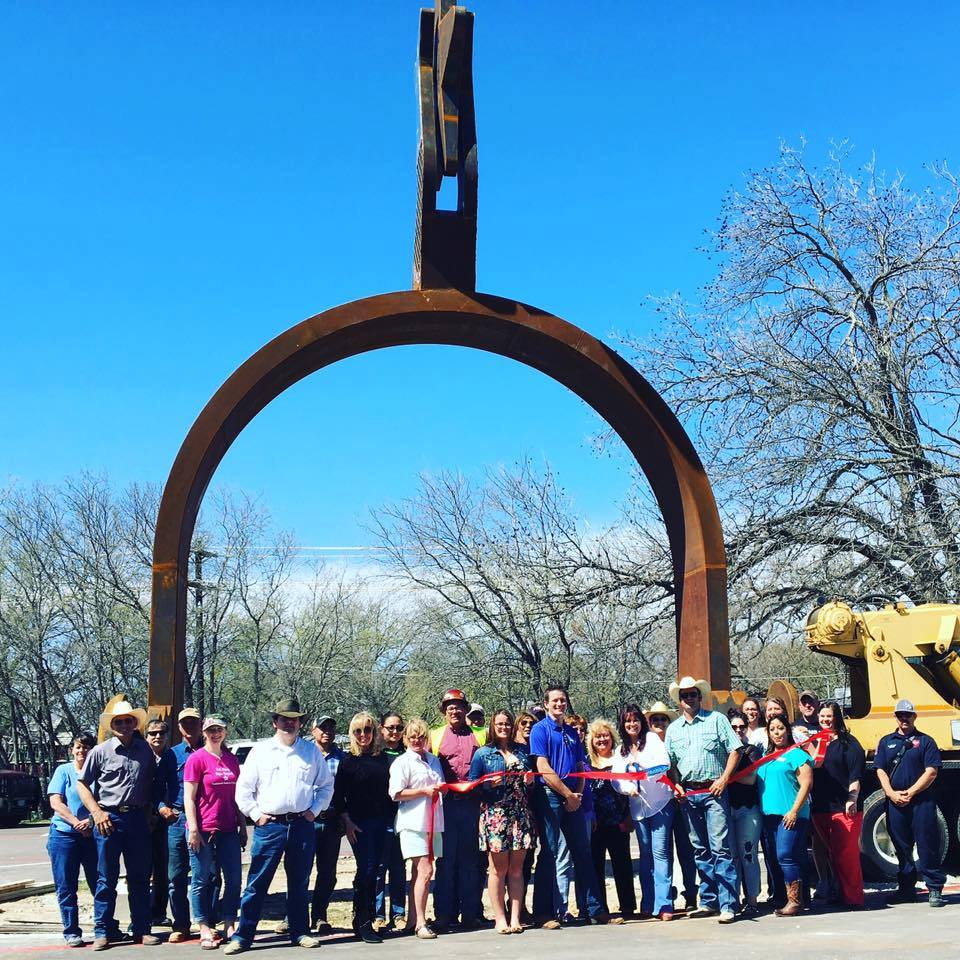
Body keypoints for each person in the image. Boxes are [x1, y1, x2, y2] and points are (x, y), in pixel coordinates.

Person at [224, 698, 334, 955]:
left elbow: (326, 785)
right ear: (275, 722)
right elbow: (243, 790)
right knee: (257, 883)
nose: (289, 723)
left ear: (299, 722)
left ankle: (300, 932)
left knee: (299, 882)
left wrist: (314, 811)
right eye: (284, 719)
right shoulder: (261, 752)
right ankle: (243, 936)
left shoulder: (310, 751)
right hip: (270, 826)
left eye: (294, 719)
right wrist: (255, 814)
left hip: (301, 825)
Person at [76, 699, 162, 951]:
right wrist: (96, 812)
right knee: (106, 877)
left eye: (128, 721)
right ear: (112, 726)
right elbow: (83, 784)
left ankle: (142, 929)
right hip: (108, 820)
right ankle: (103, 930)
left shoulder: (145, 750)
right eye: (119, 721)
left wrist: (150, 812)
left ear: (135, 723)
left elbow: (152, 783)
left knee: (139, 877)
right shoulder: (99, 752)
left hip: (137, 820)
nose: (124, 725)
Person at [529, 684, 608, 928]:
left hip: (574, 795)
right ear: (546, 704)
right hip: (550, 795)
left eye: (563, 700)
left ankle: (595, 910)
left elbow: (581, 768)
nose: (559, 704)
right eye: (554, 701)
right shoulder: (539, 731)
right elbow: (543, 767)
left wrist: (578, 795)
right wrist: (566, 794)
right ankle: (544, 913)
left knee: (583, 852)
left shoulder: (572, 734)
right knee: (550, 853)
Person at [664, 676, 740, 924]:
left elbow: (735, 750)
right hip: (688, 795)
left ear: (699, 696)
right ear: (680, 699)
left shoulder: (716, 720)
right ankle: (709, 901)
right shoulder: (673, 730)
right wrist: (676, 786)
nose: (689, 699)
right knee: (700, 850)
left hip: (714, 792)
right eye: (684, 695)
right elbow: (670, 765)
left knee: (721, 848)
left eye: (693, 694)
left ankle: (728, 903)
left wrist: (724, 779)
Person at [468, 710, 536, 934]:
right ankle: (500, 919)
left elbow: (532, 783)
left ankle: (515, 917)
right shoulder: (482, 754)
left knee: (517, 870)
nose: (504, 727)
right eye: (499, 724)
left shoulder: (523, 751)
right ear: (492, 726)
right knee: (497, 869)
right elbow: (472, 787)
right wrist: (488, 785)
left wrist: (530, 780)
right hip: (495, 815)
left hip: (520, 815)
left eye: (507, 723)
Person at [184, 715, 247, 950]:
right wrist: (193, 829)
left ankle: (229, 922)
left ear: (225, 731)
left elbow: (238, 797)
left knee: (233, 879)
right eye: (210, 730)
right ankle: (203, 926)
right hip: (204, 830)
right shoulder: (197, 759)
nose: (215, 734)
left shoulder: (231, 760)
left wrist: (242, 825)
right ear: (204, 732)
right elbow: (189, 798)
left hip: (229, 829)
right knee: (201, 879)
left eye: (219, 729)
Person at [333, 711, 396, 945]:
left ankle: (368, 918)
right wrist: (347, 822)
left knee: (376, 871)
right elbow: (339, 798)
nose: (363, 735)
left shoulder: (381, 758)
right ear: (352, 734)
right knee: (366, 871)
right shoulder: (348, 761)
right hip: (359, 825)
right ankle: (362, 921)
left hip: (382, 823)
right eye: (358, 731)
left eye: (367, 730)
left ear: (374, 731)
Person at [875, 699, 945, 908]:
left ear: (915, 717)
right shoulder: (886, 741)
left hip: (921, 802)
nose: (904, 718)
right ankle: (906, 890)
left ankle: (934, 889)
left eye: (908, 715)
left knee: (927, 845)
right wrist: (890, 793)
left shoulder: (926, 741)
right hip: (895, 803)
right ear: (895, 717)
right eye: (900, 715)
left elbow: (931, 771)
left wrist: (911, 792)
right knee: (901, 847)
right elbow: (880, 769)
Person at [612, 704, 676, 920]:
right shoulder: (620, 751)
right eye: (628, 721)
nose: (632, 724)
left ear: (642, 722)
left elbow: (664, 764)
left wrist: (643, 775)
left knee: (660, 853)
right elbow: (616, 778)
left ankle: (665, 904)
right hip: (638, 810)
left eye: (635, 720)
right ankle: (648, 903)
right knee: (645, 855)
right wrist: (627, 788)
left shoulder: (653, 741)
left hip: (660, 804)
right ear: (623, 724)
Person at [429, 688, 485, 931]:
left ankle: (471, 914)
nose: (455, 710)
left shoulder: (480, 736)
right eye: (450, 706)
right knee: (445, 862)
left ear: (466, 710)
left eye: (459, 706)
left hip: (473, 806)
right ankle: (444, 914)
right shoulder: (435, 736)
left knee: (471, 862)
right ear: (444, 711)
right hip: (446, 807)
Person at [387, 717, 445, 940]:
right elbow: (396, 793)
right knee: (425, 871)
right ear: (405, 738)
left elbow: (438, 786)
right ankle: (421, 923)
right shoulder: (402, 762)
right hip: (413, 823)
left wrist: (442, 790)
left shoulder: (433, 760)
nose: (417, 740)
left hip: (435, 822)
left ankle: (412, 919)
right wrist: (424, 792)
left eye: (421, 736)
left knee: (419, 873)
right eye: (412, 736)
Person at [750, 714, 813, 917]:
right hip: (770, 817)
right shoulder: (766, 758)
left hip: (791, 815)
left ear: (788, 730)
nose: (777, 733)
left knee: (786, 855)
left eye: (780, 728)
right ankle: (795, 898)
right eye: (772, 729)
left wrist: (794, 810)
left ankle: (794, 901)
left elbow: (806, 784)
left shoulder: (797, 754)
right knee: (782, 857)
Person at [47, 732, 100, 948]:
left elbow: (106, 800)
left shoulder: (99, 771)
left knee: (100, 883)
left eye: (86, 747)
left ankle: (104, 927)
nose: (82, 751)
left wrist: (90, 821)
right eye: (78, 747)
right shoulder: (64, 771)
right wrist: (75, 822)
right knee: (66, 885)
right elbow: (56, 802)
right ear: (72, 750)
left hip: (92, 835)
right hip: (64, 836)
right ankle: (71, 931)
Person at [811, 701, 865, 909]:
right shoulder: (815, 742)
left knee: (847, 856)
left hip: (844, 809)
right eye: (822, 716)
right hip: (821, 808)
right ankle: (839, 893)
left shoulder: (849, 743)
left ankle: (854, 899)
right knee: (833, 854)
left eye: (829, 716)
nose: (825, 720)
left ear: (837, 718)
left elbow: (855, 775)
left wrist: (852, 798)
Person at [646, 701, 698, 912]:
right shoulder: (645, 747)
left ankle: (691, 894)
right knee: (662, 853)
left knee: (687, 851)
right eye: (655, 719)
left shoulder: (676, 740)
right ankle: (666, 897)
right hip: (658, 805)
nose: (659, 722)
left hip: (681, 801)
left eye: (663, 719)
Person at [161, 706, 205, 944]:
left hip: (207, 820)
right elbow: (157, 788)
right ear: (179, 727)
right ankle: (181, 924)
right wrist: (161, 807)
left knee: (208, 874)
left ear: (201, 724)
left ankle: (207, 921)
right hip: (178, 821)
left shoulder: (214, 750)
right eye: (185, 723)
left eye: (194, 722)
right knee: (176, 876)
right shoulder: (171, 755)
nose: (190, 727)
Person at [586, 719, 636, 921]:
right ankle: (600, 909)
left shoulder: (620, 759)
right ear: (592, 740)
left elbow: (631, 786)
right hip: (595, 823)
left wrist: (629, 816)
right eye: (598, 736)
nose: (602, 739)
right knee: (595, 865)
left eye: (605, 736)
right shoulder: (586, 762)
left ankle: (627, 907)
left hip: (619, 820)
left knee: (623, 865)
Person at [309, 716, 345, 934]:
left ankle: (319, 915)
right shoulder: (304, 754)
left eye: (331, 728)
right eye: (322, 728)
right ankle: (291, 916)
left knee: (327, 872)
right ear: (313, 731)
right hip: (305, 821)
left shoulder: (342, 758)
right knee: (298, 870)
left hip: (331, 821)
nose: (327, 732)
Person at [727, 711, 763, 913]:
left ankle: (752, 900)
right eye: (734, 727)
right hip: (726, 809)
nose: (738, 730)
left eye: (741, 726)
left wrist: (724, 777)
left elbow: (750, 779)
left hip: (748, 810)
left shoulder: (752, 751)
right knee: (731, 857)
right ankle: (733, 899)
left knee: (748, 855)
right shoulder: (723, 750)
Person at [375, 712, 407, 932]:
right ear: (381, 729)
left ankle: (398, 913)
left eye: (399, 728)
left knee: (398, 868)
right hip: (379, 818)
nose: (395, 732)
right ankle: (377, 915)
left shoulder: (407, 755)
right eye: (390, 728)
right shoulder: (375, 755)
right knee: (379, 868)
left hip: (403, 817)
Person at [144, 719, 176, 929]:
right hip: (141, 820)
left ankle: (159, 913)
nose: (157, 737)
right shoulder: (140, 755)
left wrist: (169, 806)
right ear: (146, 735)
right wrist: (158, 805)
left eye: (162, 733)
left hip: (164, 820)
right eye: (153, 733)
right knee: (141, 871)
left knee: (163, 869)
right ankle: (141, 916)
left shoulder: (170, 756)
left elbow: (174, 784)